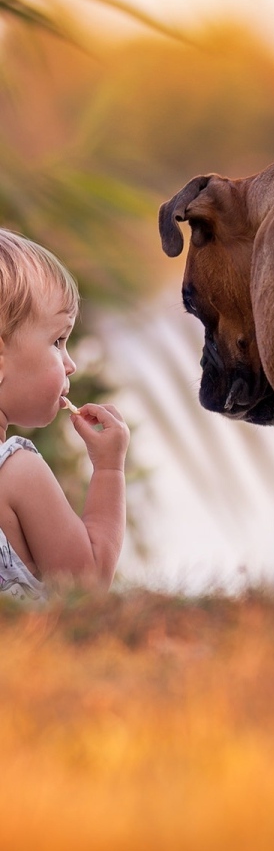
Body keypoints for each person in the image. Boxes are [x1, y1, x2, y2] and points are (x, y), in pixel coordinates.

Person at [0, 229, 130, 602]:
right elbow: (87, 589)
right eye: (57, 341)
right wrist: (109, 469)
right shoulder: (17, 473)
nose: (70, 364)